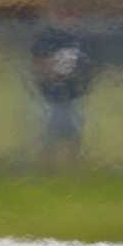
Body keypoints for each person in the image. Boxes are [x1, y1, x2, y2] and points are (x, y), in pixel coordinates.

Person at [31, 17, 94, 164]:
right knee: (55, 130)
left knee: (70, 130)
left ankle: (68, 165)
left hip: (72, 94)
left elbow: (86, 65)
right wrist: (49, 76)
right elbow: (38, 65)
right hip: (52, 95)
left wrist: (81, 81)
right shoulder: (48, 37)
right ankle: (49, 164)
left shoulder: (79, 37)